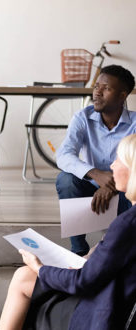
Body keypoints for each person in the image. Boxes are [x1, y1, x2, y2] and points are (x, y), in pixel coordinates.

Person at [0, 133, 136, 330]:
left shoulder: (127, 223)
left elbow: (83, 281)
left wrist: (39, 267)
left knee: (24, 278)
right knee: (25, 277)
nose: (112, 166)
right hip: (114, 296)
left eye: (118, 160)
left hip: (103, 310)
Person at [56, 65, 136, 256]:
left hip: (124, 192)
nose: (97, 93)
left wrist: (111, 184)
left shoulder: (134, 123)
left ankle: (122, 251)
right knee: (65, 180)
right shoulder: (83, 117)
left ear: (123, 95)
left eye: (106, 88)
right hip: (90, 189)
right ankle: (78, 251)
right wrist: (95, 174)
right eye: (96, 86)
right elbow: (63, 155)